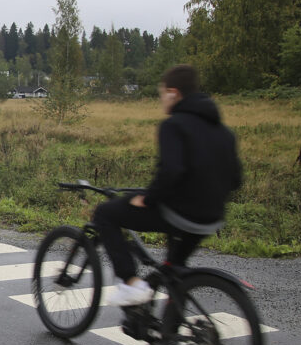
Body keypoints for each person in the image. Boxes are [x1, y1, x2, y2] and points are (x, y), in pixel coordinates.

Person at [92, 64, 242, 306]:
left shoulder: (173, 125)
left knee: (105, 213)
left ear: (174, 93)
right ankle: (168, 334)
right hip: (212, 217)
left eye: (162, 93)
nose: (161, 100)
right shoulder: (224, 131)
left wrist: (148, 199)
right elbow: (236, 179)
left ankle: (130, 283)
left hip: (180, 214)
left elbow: (171, 171)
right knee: (174, 272)